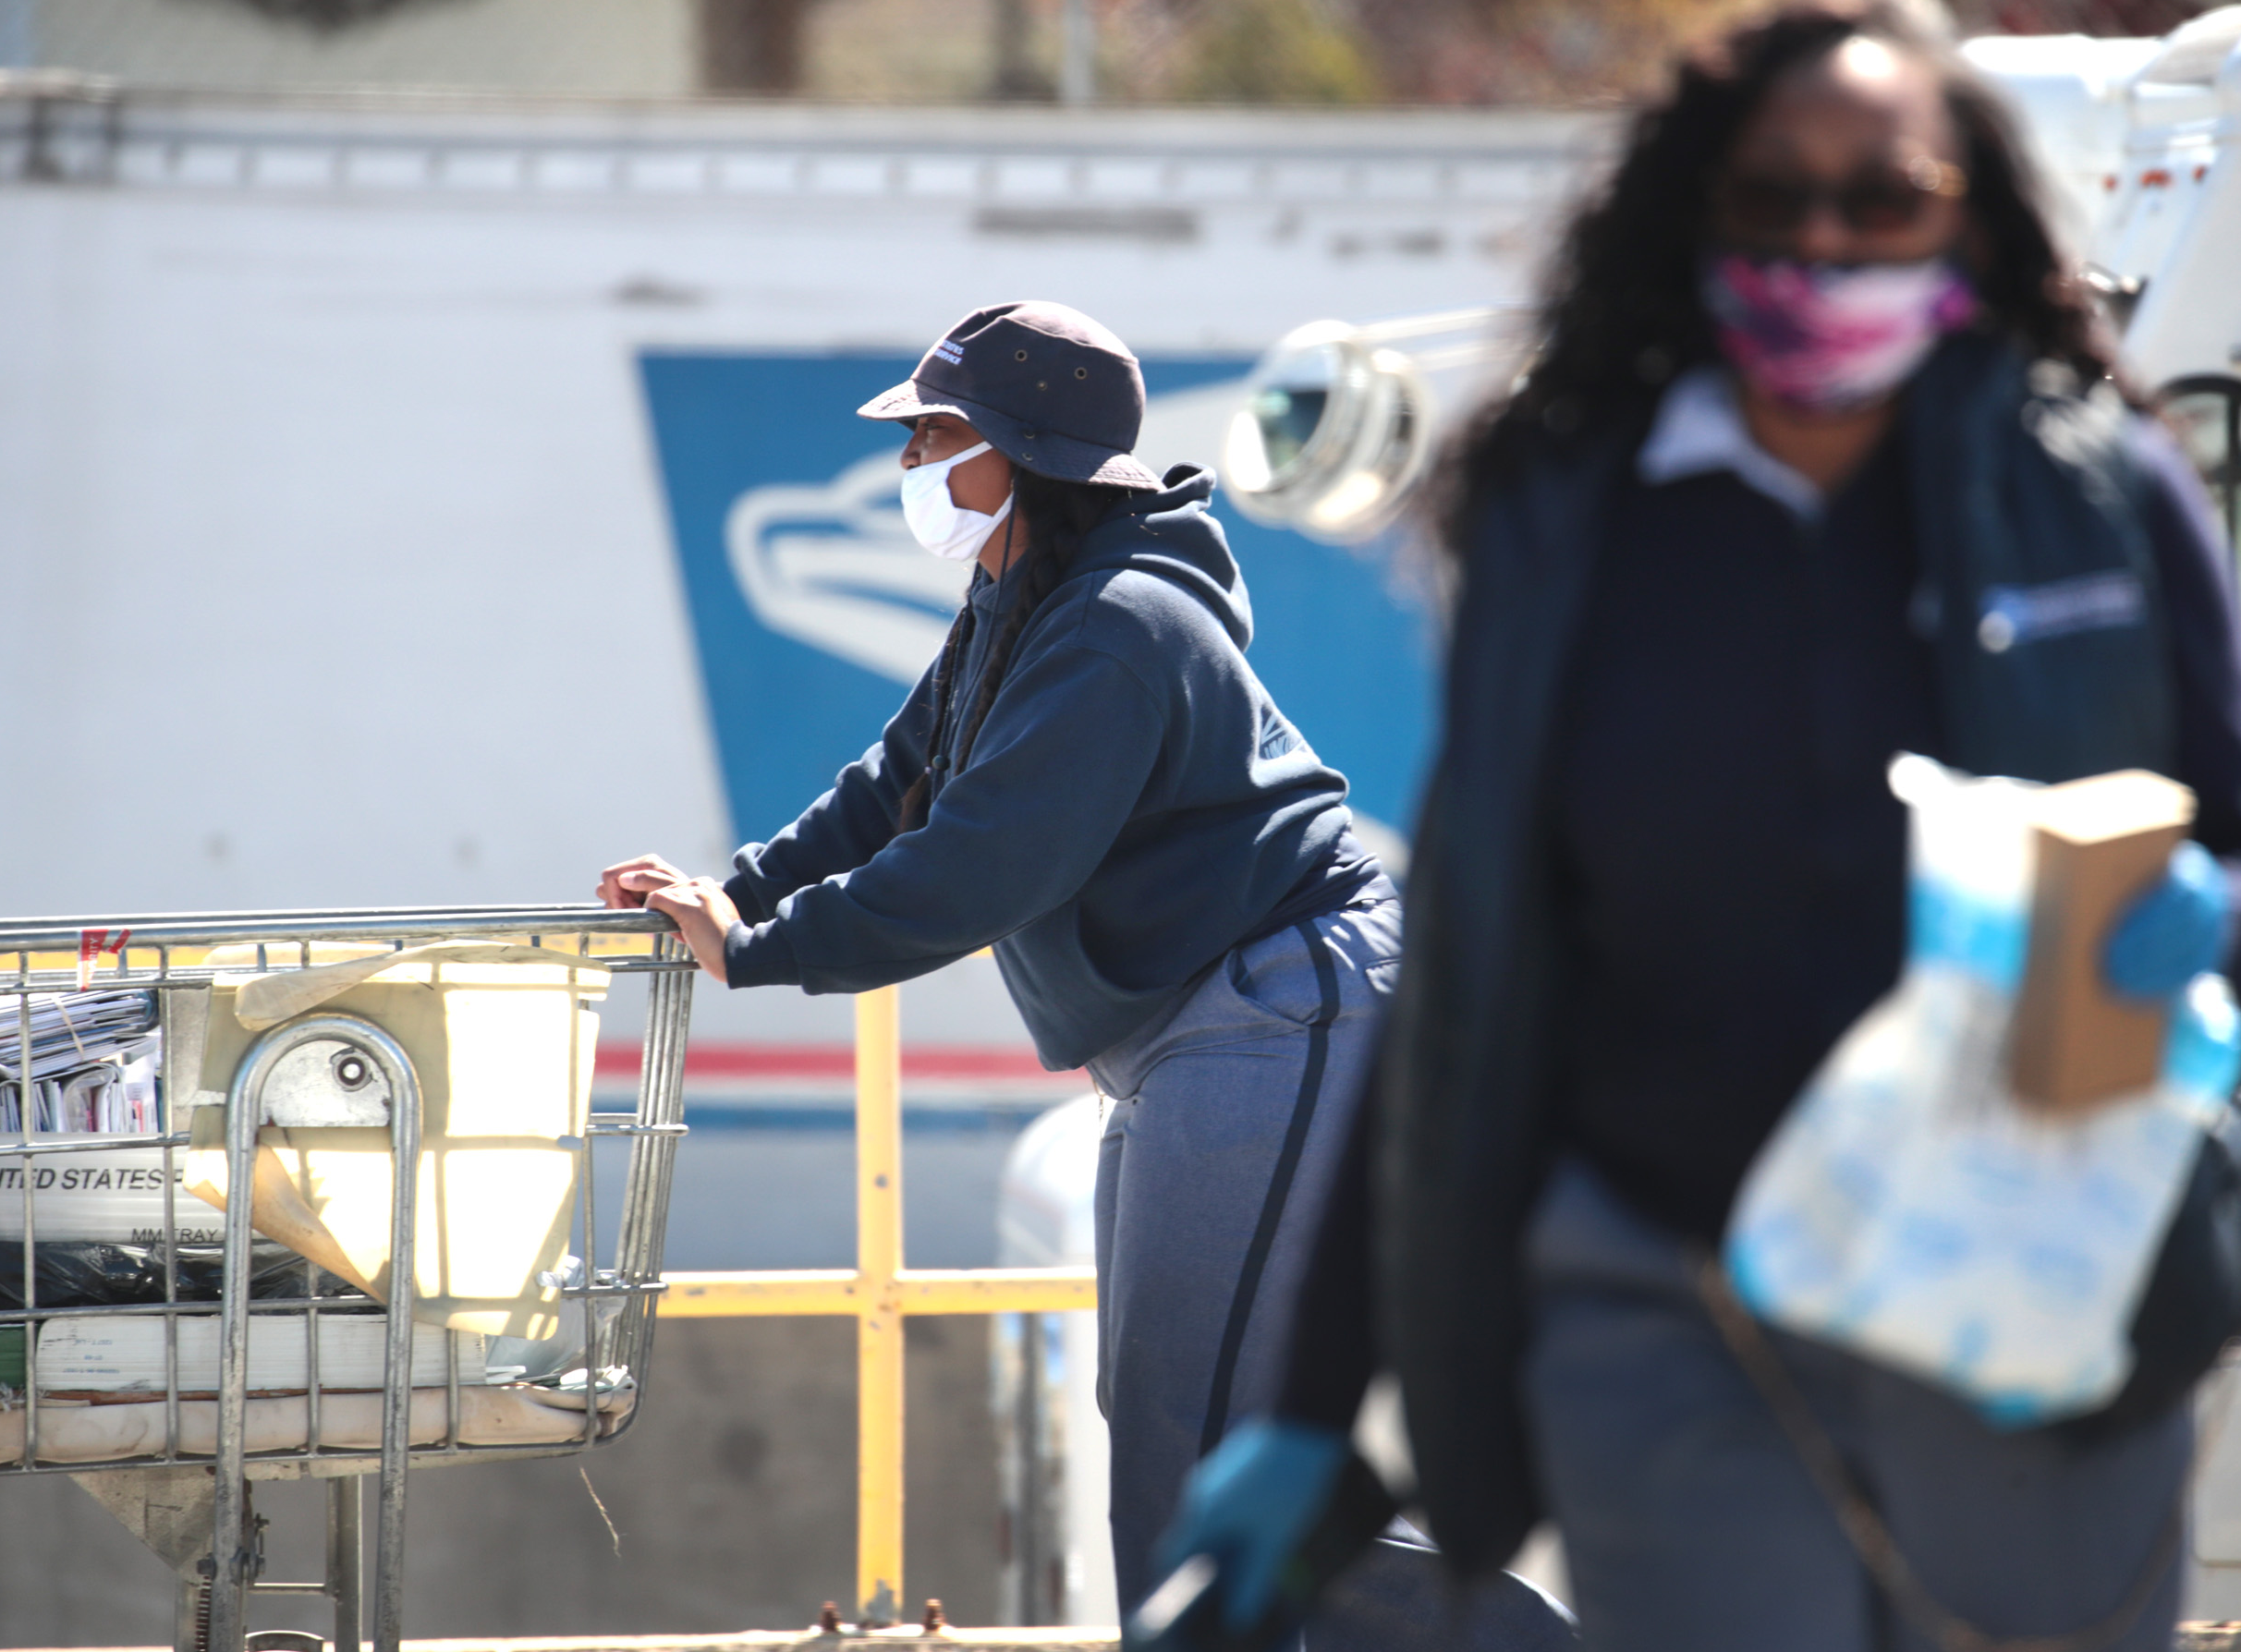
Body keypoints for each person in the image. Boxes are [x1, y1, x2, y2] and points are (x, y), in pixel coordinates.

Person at [1151, 0, 2241, 1652]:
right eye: (1774, 197)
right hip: (1665, 1308)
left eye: (1884, 195)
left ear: (1965, 217)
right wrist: (1309, 1401)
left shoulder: (2096, 487)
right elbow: (1467, 977)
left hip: (2036, 1305)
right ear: (1693, 210)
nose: (1828, 239)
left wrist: (2217, 918)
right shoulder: (1572, 517)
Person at [598, 300, 1571, 1646]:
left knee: (1187, 1449)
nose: (913, 461)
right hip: (1215, 1028)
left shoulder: (1115, 623)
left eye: (940, 433)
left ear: (1027, 451)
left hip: (1280, 1008)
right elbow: (897, 784)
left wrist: (762, 952)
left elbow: (981, 865)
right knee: (1170, 1431)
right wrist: (738, 889)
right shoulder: (1027, 592)